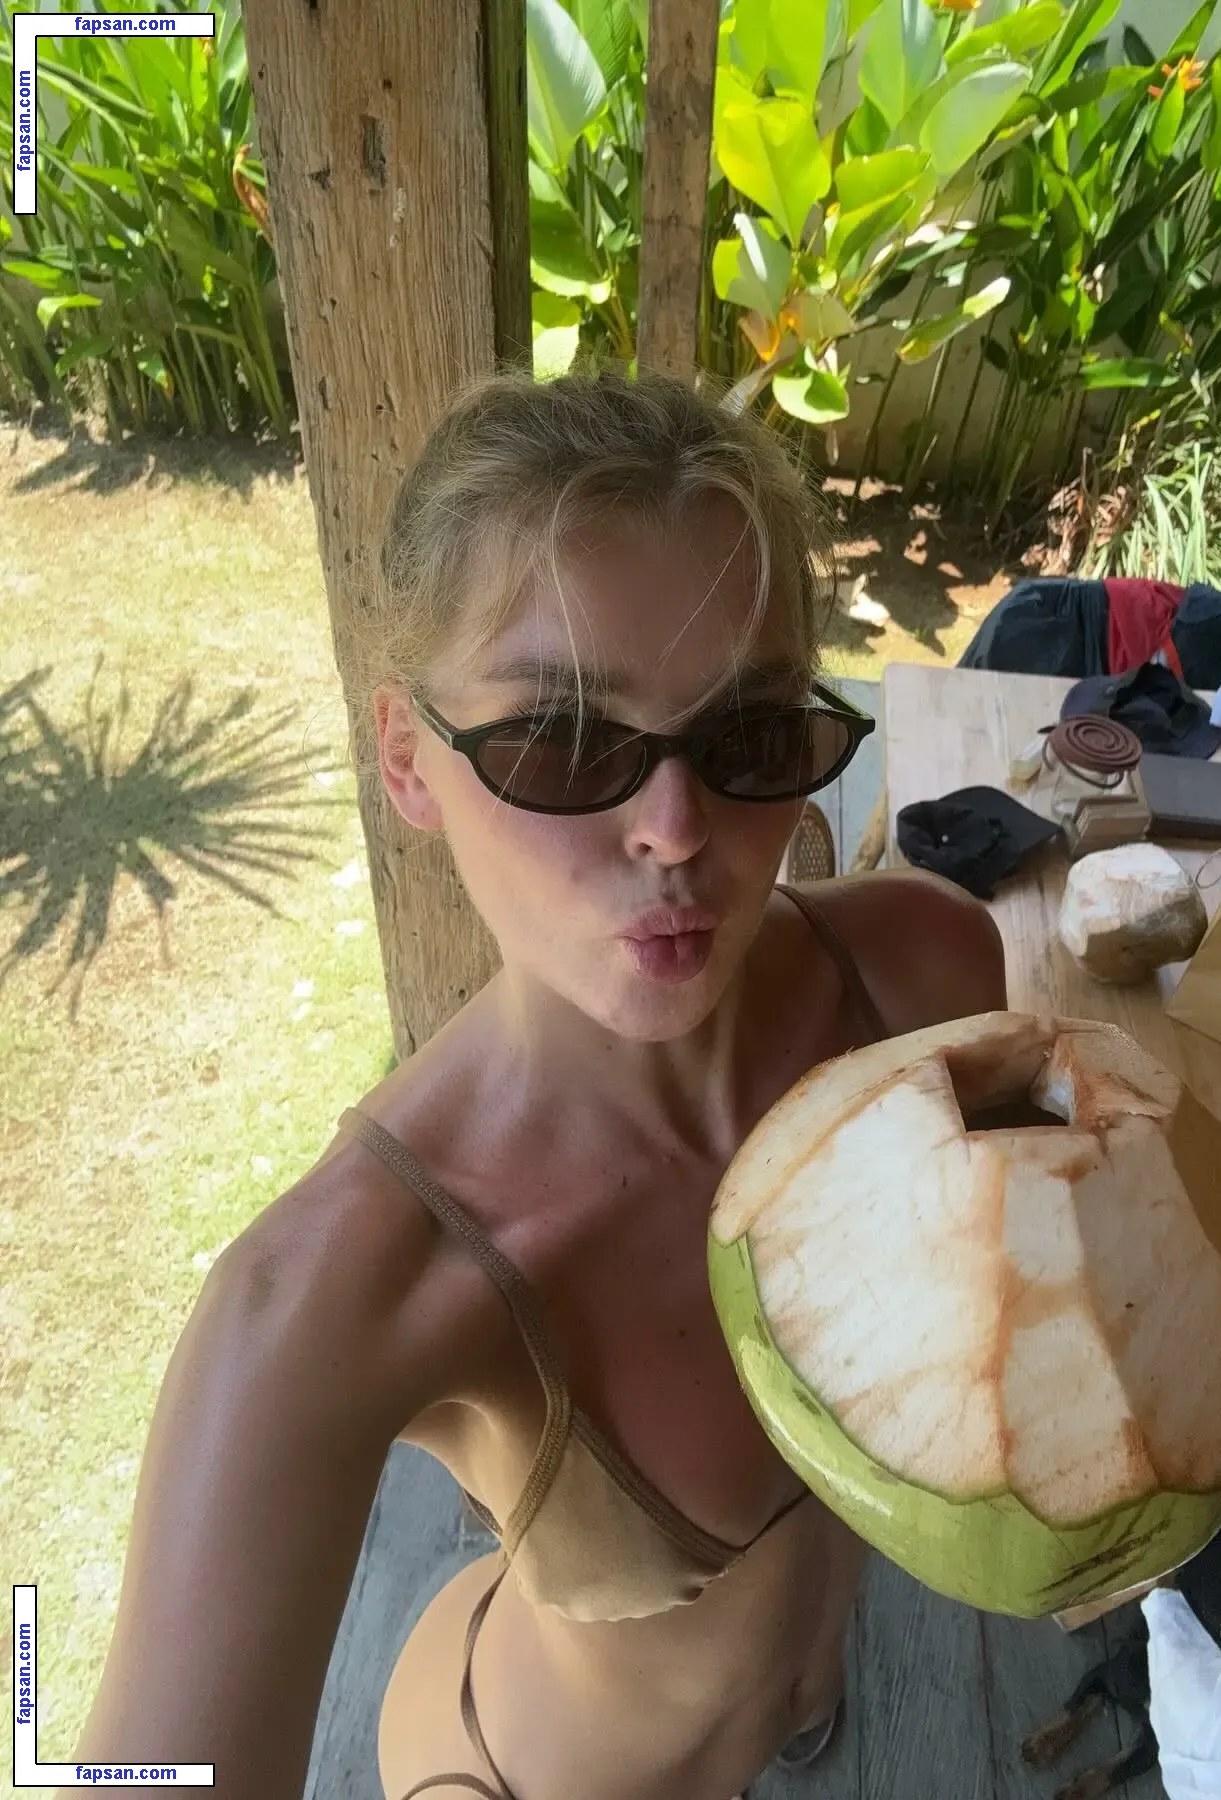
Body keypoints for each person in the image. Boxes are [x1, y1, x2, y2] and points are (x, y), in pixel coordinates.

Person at [65, 368, 1006, 1800]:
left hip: (799, 1684)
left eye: (750, 735)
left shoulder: (927, 982)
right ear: (408, 760)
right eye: (564, 741)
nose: (676, 829)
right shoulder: (330, 1300)